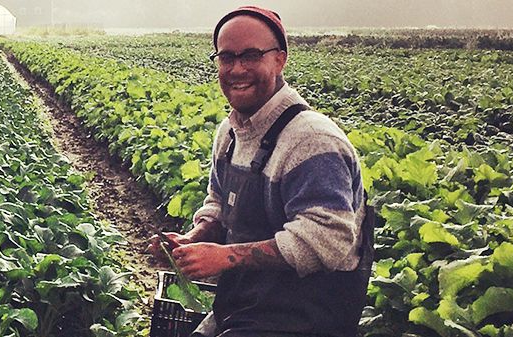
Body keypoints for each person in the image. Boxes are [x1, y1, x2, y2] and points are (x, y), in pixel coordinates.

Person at [148, 6, 374, 337]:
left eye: (251, 55)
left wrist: (224, 258)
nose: (236, 68)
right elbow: (217, 203)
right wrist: (194, 239)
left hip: (303, 318)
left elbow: (327, 241)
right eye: (226, 58)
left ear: (279, 59)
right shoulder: (229, 132)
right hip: (244, 304)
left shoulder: (312, 139)